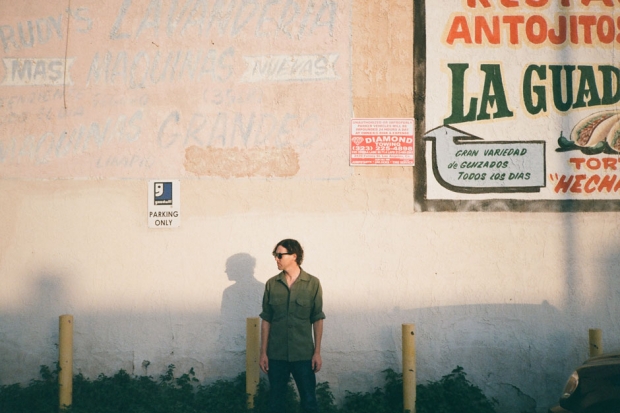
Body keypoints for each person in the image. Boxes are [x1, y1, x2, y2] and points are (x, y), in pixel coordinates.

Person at [259, 239, 325, 413]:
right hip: (277, 354)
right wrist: (263, 352)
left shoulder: (312, 284)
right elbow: (266, 320)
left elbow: (317, 319)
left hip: (303, 354)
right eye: (275, 255)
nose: (276, 259)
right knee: (275, 402)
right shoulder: (272, 284)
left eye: (280, 255)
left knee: (309, 401)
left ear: (294, 256)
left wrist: (317, 352)